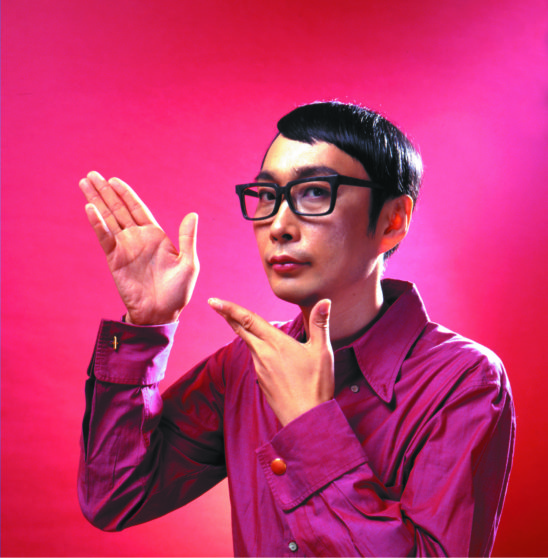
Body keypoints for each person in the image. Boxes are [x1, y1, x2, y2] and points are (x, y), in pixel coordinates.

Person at [77, 101, 515, 557]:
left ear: (393, 220)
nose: (279, 226)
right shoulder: (246, 364)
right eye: (268, 196)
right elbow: (113, 497)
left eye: (315, 192)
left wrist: (311, 427)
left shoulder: (464, 381)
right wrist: (148, 324)